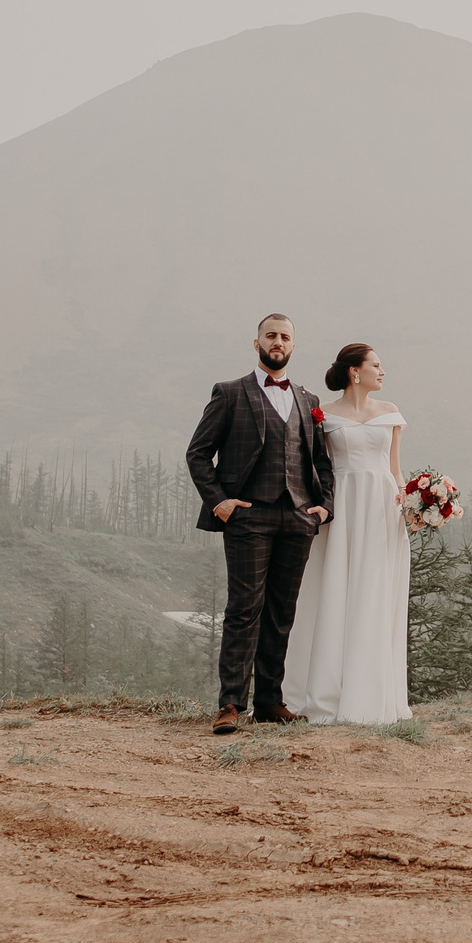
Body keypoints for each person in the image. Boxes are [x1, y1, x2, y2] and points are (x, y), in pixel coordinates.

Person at [185, 313, 333, 735]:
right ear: (257, 343)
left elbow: (321, 460)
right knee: (243, 610)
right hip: (248, 517)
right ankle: (231, 703)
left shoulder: (308, 399)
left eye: (285, 336)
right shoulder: (230, 393)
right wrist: (220, 503)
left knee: (281, 613)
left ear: (293, 345)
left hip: (297, 518)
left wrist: (324, 506)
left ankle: (269, 702)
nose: (278, 341)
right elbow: (198, 453)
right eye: (271, 335)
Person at [282, 342, 412, 724]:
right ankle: (324, 694)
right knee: (332, 590)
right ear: (355, 371)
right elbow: (314, 464)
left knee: (374, 593)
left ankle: (370, 696)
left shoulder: (390, 412)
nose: (382, 371)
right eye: (376, 365)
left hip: (382, 511)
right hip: (340, 507)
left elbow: (395, 469)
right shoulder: (323, 414)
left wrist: (412, 506)